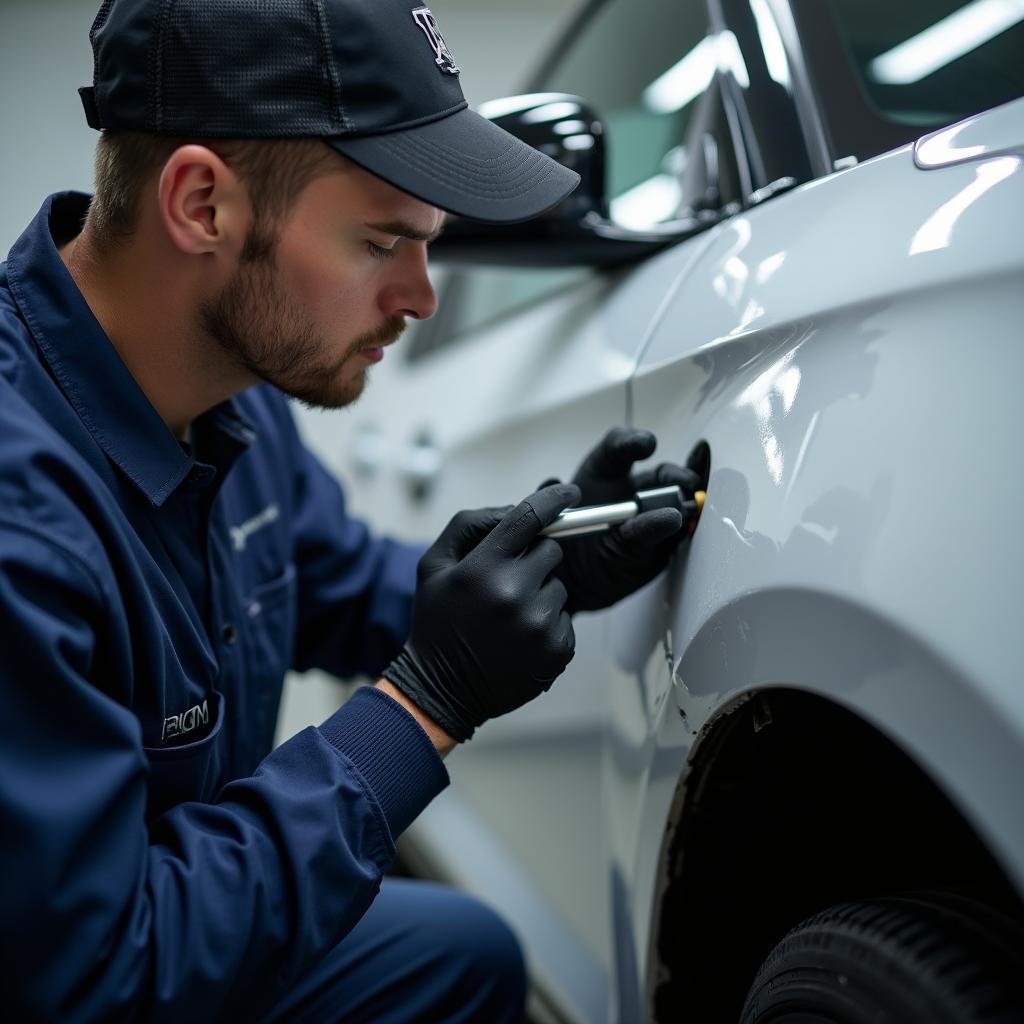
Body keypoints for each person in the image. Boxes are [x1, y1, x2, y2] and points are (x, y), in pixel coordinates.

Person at [0, 0, 700, 1020]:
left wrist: (548, 562)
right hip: (90, 973)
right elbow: (93, 973)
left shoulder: (229, 399)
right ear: (201, 205)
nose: (421, 297)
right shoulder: (23, 516)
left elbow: (330, 580)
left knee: (461, 954)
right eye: (382, 242)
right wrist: (426, 702)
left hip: (147, 928)